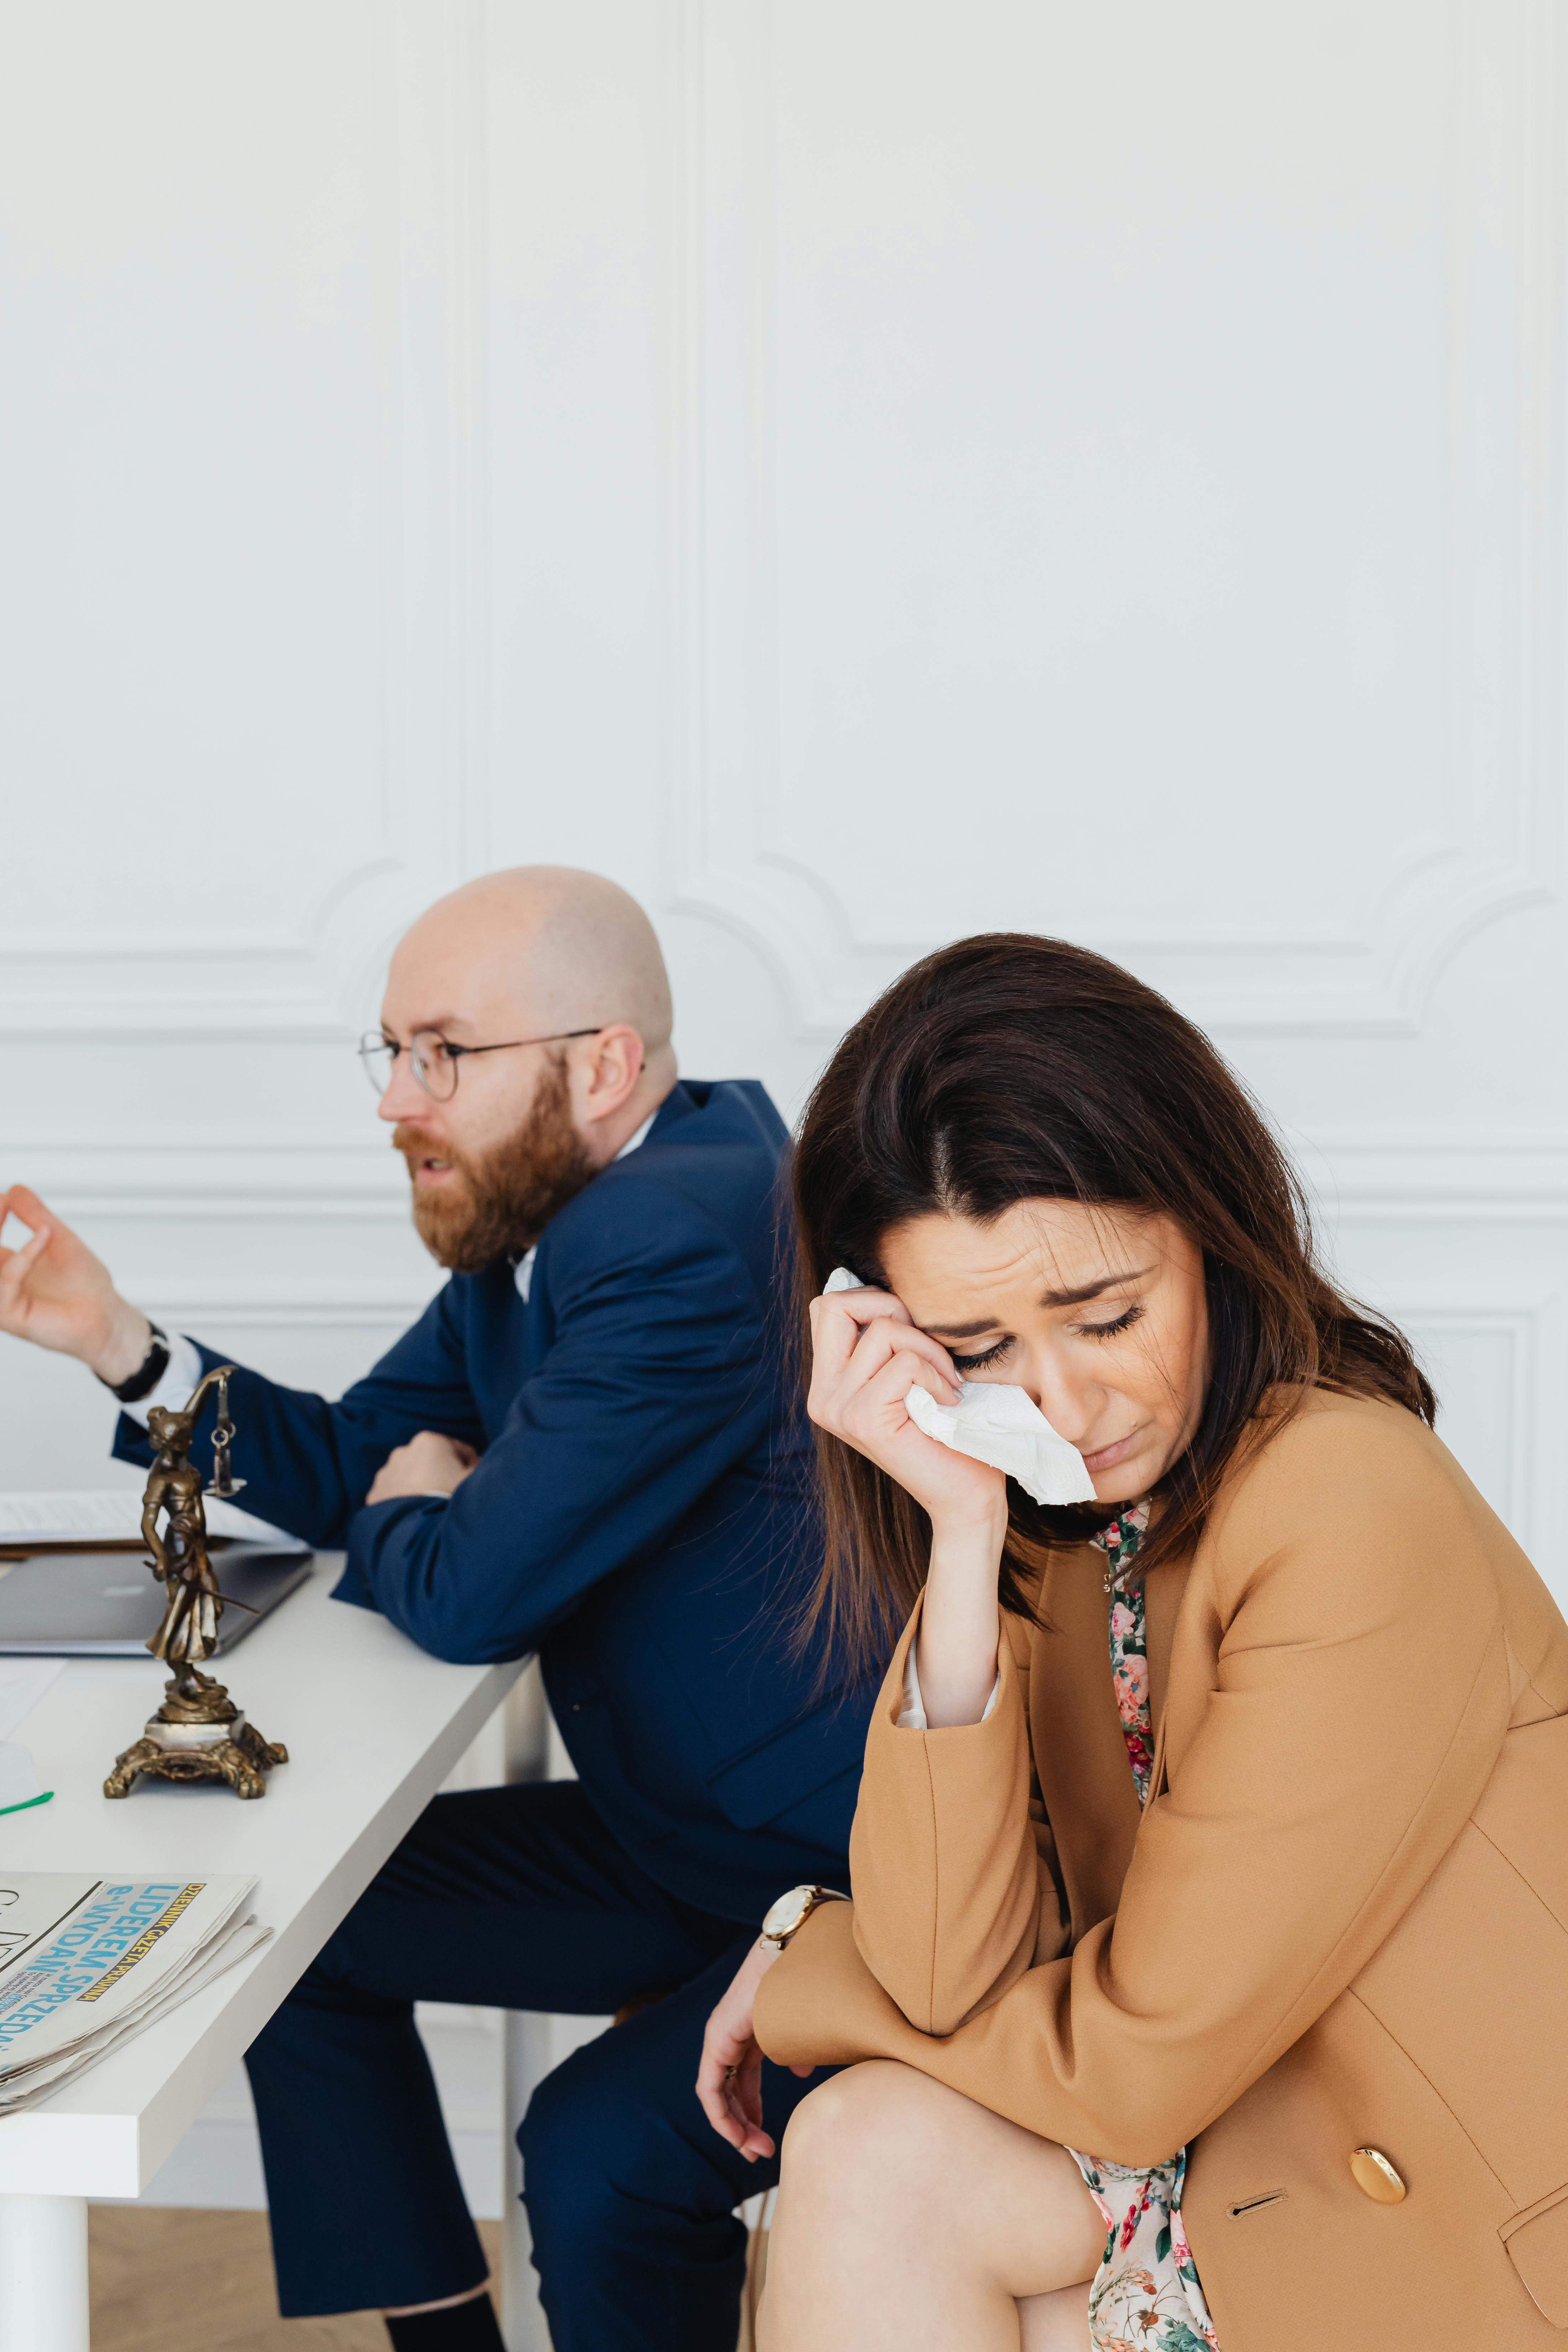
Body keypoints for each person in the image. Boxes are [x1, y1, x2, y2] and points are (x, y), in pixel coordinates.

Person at [0, 867, 873, 2352]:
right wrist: (123, 1344)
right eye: (391, 1051)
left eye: (445, 1054)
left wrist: (418, 1510)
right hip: (679, 1830)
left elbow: (466, 1589)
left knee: (591, 2154)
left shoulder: (676, 1235)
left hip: (842, 1883)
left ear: (601, 1064)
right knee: (295, 1936)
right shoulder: (545, 1219)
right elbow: (359, 1455)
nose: (399, 1099)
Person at [695, 932, 1568, 2352]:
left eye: (1107, 1314)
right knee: (867, 2151)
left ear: (1215, 1233)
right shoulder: (1055, 1515)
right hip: (1255, 2156)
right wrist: (963, 1541)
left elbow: (1132, 2067)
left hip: (1449, 2214)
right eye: (973, 1350)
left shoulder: (1350, 1494)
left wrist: (809, 1964)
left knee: (870, 2161)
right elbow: (952, 1976)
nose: (1064, 1401)